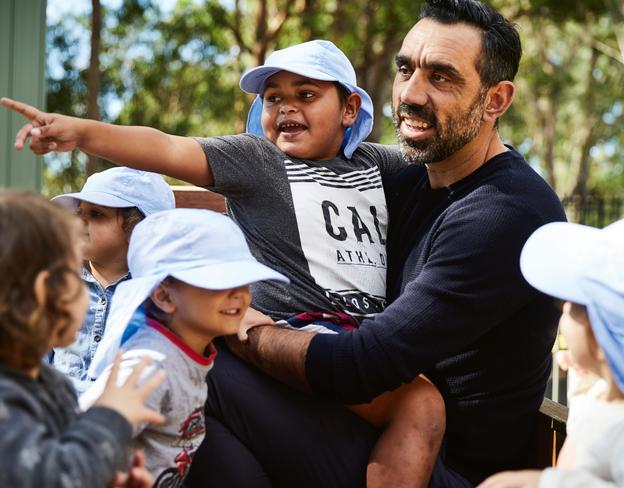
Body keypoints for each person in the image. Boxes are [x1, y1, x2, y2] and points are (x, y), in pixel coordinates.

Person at [2, 39, 446, 487]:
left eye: (306, 95)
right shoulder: (258, 159)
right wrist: (80, 133)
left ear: (350, 108)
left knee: (423, 406)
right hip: (288, 334)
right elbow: (167, 148)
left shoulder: (381, 165)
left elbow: (449, 158)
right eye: (274, 99)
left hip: (363, 339)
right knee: (420, 402)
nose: (286, 108)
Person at [188, 0, 568, 486]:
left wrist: (246, 331)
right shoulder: (410, 181)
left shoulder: (505, 212)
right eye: (405, 69)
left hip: (437, 466)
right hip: (359, 423)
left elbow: (362, 365)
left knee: (205, 372)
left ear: (496, 100)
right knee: (186, 370)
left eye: (441, 77)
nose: (411, 94)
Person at [79, 208, 289, 485]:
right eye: (219, 282)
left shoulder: (187, 353)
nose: (238, 293)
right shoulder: (149, 366)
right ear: (164, 295)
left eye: (244, 280)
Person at [0, 189, 166, 487]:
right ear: (47, 290)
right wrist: (111, 414)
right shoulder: (6, 400)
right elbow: (60, 478)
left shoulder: (47, 382)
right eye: (74, 272)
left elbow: (61, 458)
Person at [479, 214, 624, 487]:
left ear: (604, 338)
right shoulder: (605, 393)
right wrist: (589, 378)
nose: (564, 310)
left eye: (574, 305)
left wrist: (539, 482)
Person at [48, 167, 175, 395]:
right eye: (79, 213)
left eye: (96, 214)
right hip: (55, 411)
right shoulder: (59, 285)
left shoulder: (159, 296)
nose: (79, 223)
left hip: (121, 416)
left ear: (138, 228)